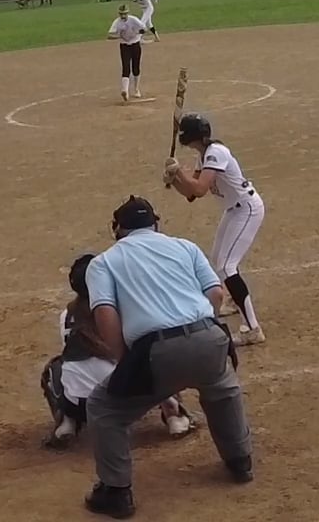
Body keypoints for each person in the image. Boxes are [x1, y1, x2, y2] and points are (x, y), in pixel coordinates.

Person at [80, 196, 254, 518]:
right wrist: (202, 334)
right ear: (156, 223)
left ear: (117, 229)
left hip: (154, 350)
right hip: (209, 336)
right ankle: (240, 460)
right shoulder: (185, 246)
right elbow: (216, 293)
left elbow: (105, 314)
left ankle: (116, 491)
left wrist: (126, 362)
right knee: (221, 389)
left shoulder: (103, 262)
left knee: (104, 408)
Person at [40, 252, 193, 449]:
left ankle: (67, 421)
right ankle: (173, 414)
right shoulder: (124, 307)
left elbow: (70, 354)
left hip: (83, 407)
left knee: (56, 368)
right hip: (129, 401)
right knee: (156, 351)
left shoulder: (67, 315)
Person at [163, 114, 265, 346]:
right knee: (220, 259)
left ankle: (252, 329)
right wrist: (174, 179)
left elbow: (199, 189)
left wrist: (179, 172)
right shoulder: (204, 156)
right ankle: (234, 301)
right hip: (234, 210)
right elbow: (190, 195)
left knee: (227, 266)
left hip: (247, 209)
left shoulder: (216, 152)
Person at [107, 4, 147, 104]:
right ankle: (125, 91)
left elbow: (144, 28)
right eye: (121, 14)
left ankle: (136, 89)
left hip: (135, 44)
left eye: (125, 14)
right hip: (124, 46)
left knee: (136, 67)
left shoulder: (134, 20)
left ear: (128, 13)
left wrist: (140, 31)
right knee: (126, 67)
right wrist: (119, 35)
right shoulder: (117, 22)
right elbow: (109, 35)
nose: (123, 16)